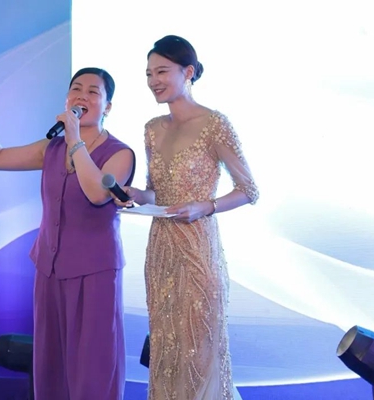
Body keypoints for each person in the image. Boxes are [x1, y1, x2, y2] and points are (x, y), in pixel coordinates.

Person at [0, 67, 135, 400]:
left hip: (94, 274)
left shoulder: (119, 153)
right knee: (50, 367)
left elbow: (96, 193)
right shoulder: (52, 148)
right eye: (76, 89)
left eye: (93, 92)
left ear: (108, 106)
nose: (82, 96)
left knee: (92, 368)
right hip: (50, 270)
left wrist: (75, 140)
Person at [115, 35, 259, 399]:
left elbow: (249, 190)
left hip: (198, 249)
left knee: (199, 349)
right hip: (161, 250)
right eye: (149, 74)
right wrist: (137, 196)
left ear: (188, 72)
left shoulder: (214, 123)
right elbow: (157, 192)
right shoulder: (152, 129)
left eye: (162, 71)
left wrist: (205, 206)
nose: (154, 81)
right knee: (166, 349)